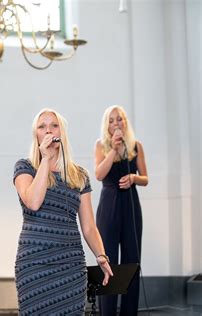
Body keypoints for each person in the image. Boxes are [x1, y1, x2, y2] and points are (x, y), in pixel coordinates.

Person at [13, 108, 113, 315]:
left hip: (70, 264)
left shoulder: (79, 175)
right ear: (36, 135)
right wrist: (45, 160)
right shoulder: (25, 167)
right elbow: (33, 202)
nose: (48, 130)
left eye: (54, 125)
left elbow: (89, 226)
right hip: (34, 262)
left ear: (62, 132)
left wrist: (101, 255)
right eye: (42, 126)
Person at [95, 105, 148, 316]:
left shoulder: (136, 146)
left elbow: (145, 178)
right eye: (111, 120)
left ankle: (129, 313)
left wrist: (134, 178)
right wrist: (114, 151)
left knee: (131, 261)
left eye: (120, 119)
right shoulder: (101, 146)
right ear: (106, 125)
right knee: (108, 262)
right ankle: (107, 313)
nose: (116, 123)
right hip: (109, 208)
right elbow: (99, 174)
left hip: (131, 207)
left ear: (125, 122)